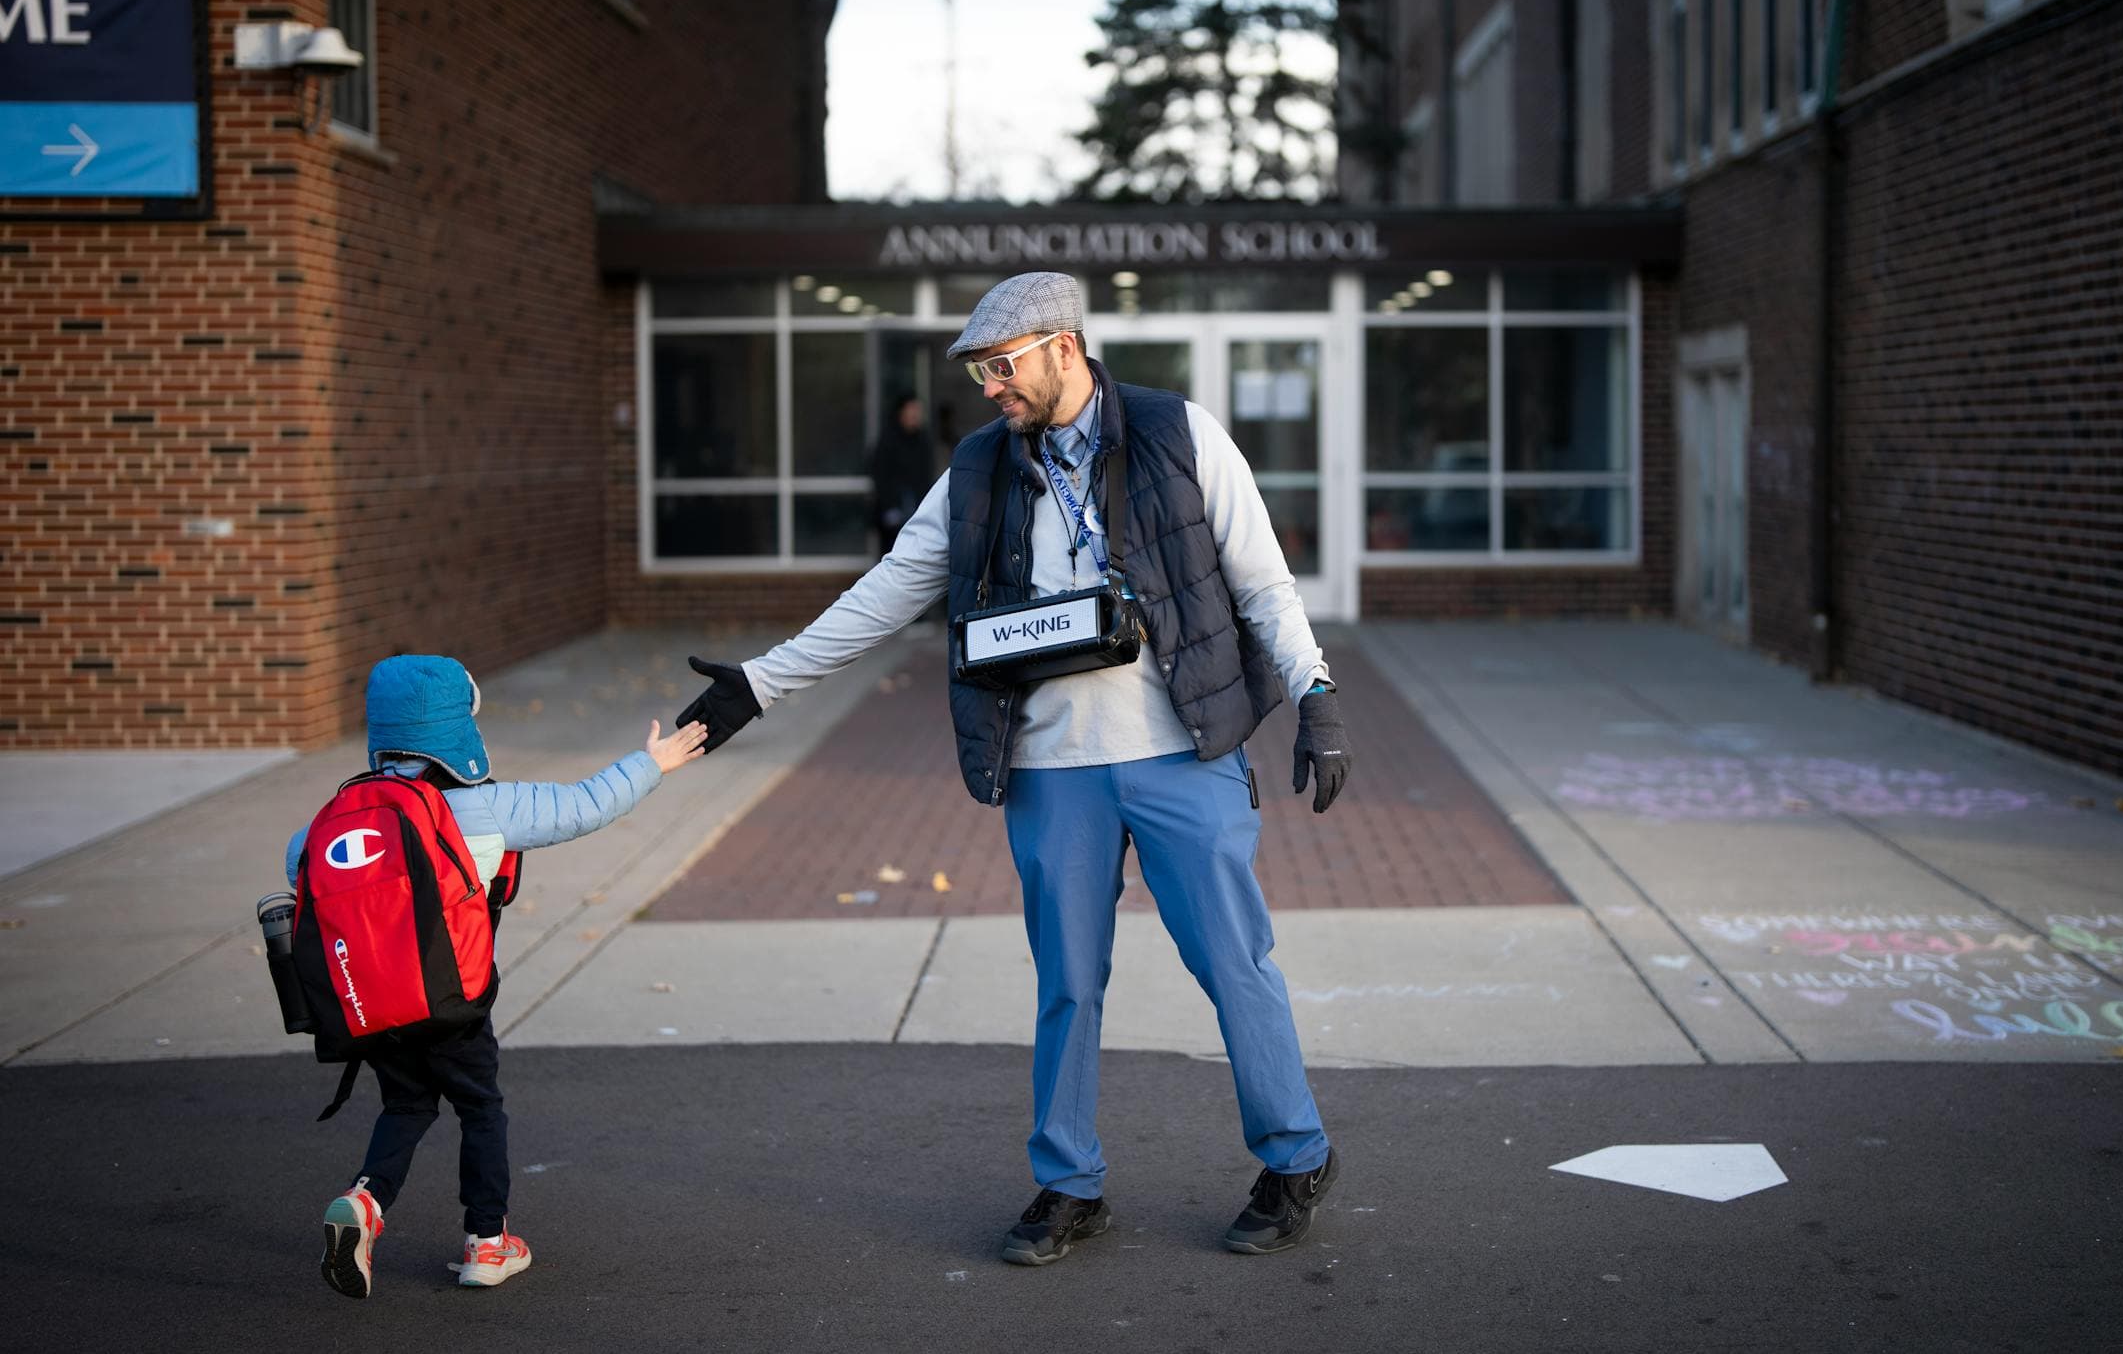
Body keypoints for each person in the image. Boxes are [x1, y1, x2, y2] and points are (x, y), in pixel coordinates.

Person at [675, 271, 1353, 1265]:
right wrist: (762, 682)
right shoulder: (981, 469)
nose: (990, 388)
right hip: (1052, 767)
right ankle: (1069, 1181)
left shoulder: (1179, 433)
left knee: (1232, 962)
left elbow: (1263, 583)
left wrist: (1315, 695)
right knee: (1066, 982)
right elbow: (887, 591)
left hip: (1183, 751)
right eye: (981, 373)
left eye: (1002, 367)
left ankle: (1296, 1155)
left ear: (1062, 347)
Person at [289, 654, 709, 1298]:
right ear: (457, 726)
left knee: (406, 1104)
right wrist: (653, 763)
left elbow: (299, 868)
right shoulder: (484, 806)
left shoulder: (333, 817)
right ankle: (487, 1243)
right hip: (453, 1003)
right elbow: (583, 806)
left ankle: (366, 1202)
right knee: (480, 1108)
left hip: (373, 1006)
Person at [869, 392, 936, 556]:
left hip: (918, 509)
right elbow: (880, 475)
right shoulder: (888, 440)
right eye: (911, 410)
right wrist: (889, 508)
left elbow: (927, 475)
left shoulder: (923, 441)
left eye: (917, 410)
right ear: (901, 412)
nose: (915, 415)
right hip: (893, 513)